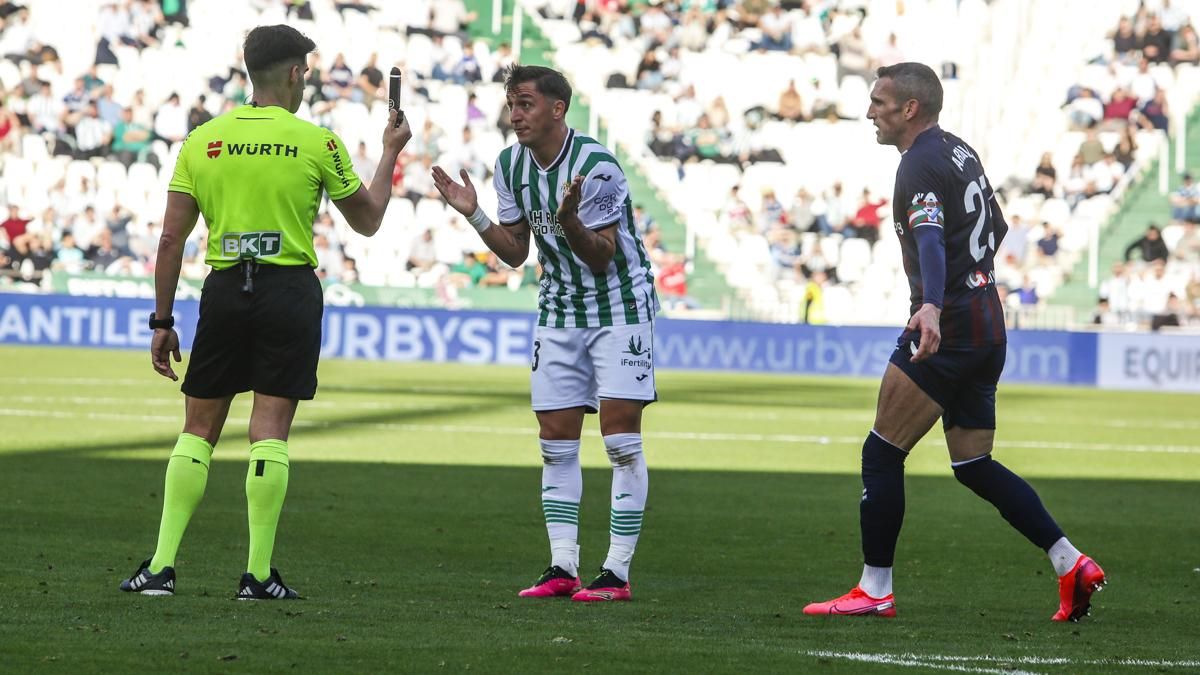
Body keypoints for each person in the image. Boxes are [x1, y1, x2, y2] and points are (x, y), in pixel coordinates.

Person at [803, 63, 1105, 622]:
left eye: (879, 102)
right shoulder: (959, 151)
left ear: (909, 108)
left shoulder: (916, 164)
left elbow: (930, 237)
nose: (871, 112)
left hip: (952, 322)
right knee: (974, 464)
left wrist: (934, 306)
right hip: (987, 317)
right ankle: (1070, 562)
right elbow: (999, 227)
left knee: (881, 450)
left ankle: (874, 590)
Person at [118, 24, 411, 600]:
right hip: (289, 292)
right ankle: (256, 575)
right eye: (308, 70)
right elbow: (370, 218)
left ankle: (161, 568)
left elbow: (171, 240)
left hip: (225, 289)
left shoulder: (203, 140)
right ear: (297, 72)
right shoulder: (317, 141)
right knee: (269, 433)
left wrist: (161, 321)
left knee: (197, 431)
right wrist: (389, 153)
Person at [432, 64, 658, 603]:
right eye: (511, 104)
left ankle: (617, 573)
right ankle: (562, 568)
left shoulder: (596, 165)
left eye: (526, 103)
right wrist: (475, 215)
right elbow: (515, 253)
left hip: (619, 308)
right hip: (557, 310)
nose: (516, 115)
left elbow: (603, 258)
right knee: (555, 445)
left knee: (621, 440)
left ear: (558, 109)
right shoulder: (510, 165)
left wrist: (572, 222)